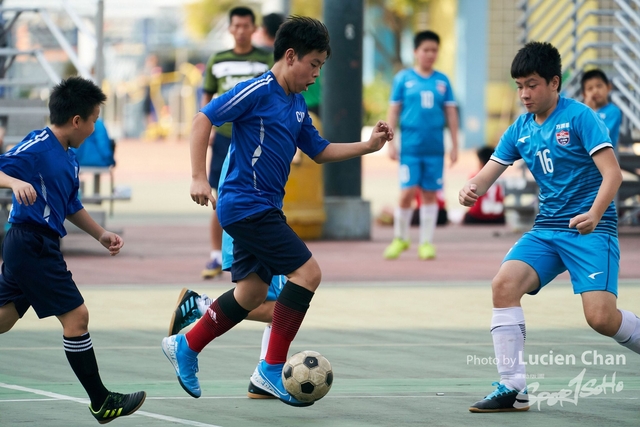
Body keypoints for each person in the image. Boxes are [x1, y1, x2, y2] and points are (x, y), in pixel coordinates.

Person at [162, 16, 393, 407]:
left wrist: (367, 146)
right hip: (245, 204)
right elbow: (204, 118)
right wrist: (199, 177)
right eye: (315, 64)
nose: (317, 74)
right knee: (308, 273)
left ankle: (187, 345)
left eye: (322, 66)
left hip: (264, 206)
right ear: (291, 56)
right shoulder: (256, 91)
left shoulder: (298, 105)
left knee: (251, 293)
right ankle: (271, 368)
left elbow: (319, 152)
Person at [459, 41, 640, 413]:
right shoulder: (520, 128)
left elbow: (614, 175)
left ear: (554, 83)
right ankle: (513, 387)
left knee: (601, 319)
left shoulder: (580, 117)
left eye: (532, 84)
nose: (524, 94)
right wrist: (471, 187)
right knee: (504, 285)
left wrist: (593, 214)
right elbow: (489, 172)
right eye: (519, 86)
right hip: (546, 230)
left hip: (592, 229)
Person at [0, 76, 146, 423]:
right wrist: (15, 181)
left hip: (39, 244)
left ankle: (100, 400)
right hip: (30, 242)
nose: (96, 127)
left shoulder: (70, 156)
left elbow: (69, 204)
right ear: (76, 120)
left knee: (3, 320)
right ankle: (101, 401)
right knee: (77, 317)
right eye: (95, 119)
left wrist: (100, 234)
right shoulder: (37, 145)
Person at [201, 6, 273, 279]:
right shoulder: (217, 60)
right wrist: (206, 127)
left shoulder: (267, 59)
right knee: (219, 196)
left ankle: (256, 255)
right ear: (230, 29)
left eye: (246, 26)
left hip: (257, 139)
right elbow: (207, 97)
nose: (241, 30)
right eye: (236, 26)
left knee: (259, 194)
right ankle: (216, 256)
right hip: (224, 138)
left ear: (254, 29)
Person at [384, 30, 459, 261]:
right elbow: (394, 110)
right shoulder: (403, 79)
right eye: (425, 50)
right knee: (406, 192)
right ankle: (400, 237)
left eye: (434, 50)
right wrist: (390, 141)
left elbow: (451, 113)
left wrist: (455, 144)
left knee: (430, 194)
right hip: (410, 149)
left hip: (434, 149)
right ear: (416, 52)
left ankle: (426, 243)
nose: (430, 54)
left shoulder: (442, 81)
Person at [462, 146, 505, 225]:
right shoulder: (501, 179)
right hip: (498, 218)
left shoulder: (474, 177)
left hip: (476, 217)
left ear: (481, 162)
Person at [581, 68, 622, 147]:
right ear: (584, 95)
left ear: (608, 87)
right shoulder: (581, 113)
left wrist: (590, 112)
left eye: (599, 86)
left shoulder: (613, 111)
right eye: (590, 88)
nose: (595, 90)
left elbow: (603, 135)